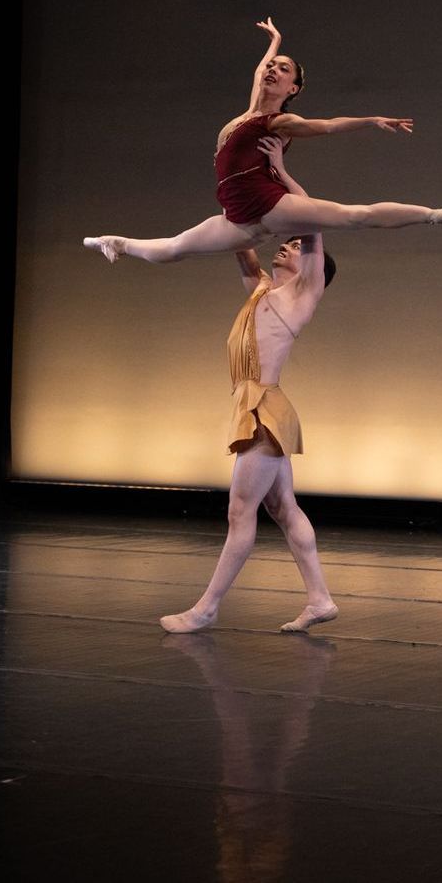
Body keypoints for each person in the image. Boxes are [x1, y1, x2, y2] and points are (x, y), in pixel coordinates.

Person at [84, 18, 442, 265]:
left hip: (269, 204)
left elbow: (325, 126)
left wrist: (370, 120)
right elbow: (258, 73)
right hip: (238, 218)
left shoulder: (279, 121)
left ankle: (441, 215)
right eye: (272, 66)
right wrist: (274, 42)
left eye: (283, 69)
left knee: (354, 216)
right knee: (172, 251)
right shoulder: (247, 114)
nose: (272, 70)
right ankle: (117, 242)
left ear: (294, 87)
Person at [160, 231, 339, 634]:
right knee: (283, 508)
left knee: (241, 512)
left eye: (296, 247)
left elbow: (314, 229)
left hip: (264, 411)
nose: (287, 246)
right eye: (287, 241)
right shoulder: (262, 290)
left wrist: (278, 169)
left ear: (311, 269)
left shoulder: (300, 297)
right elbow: (239, 242)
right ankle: (320, 598)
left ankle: (206, 608)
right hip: (257, 407)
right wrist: (237, 199)